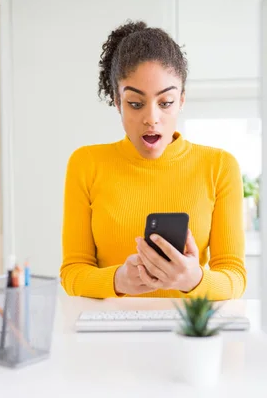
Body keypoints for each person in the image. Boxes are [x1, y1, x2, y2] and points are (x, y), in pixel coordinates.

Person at [60, 20, 246, 299]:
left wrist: (194, 280)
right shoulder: (86, 164)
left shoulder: (220, 167)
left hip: (188, 334)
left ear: (181, 100)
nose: (151, 118)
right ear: (116, 101)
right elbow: (72, 272)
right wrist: (118, 281)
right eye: (135, 103)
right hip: (109, 334)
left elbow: (235, 277)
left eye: (165, 102)